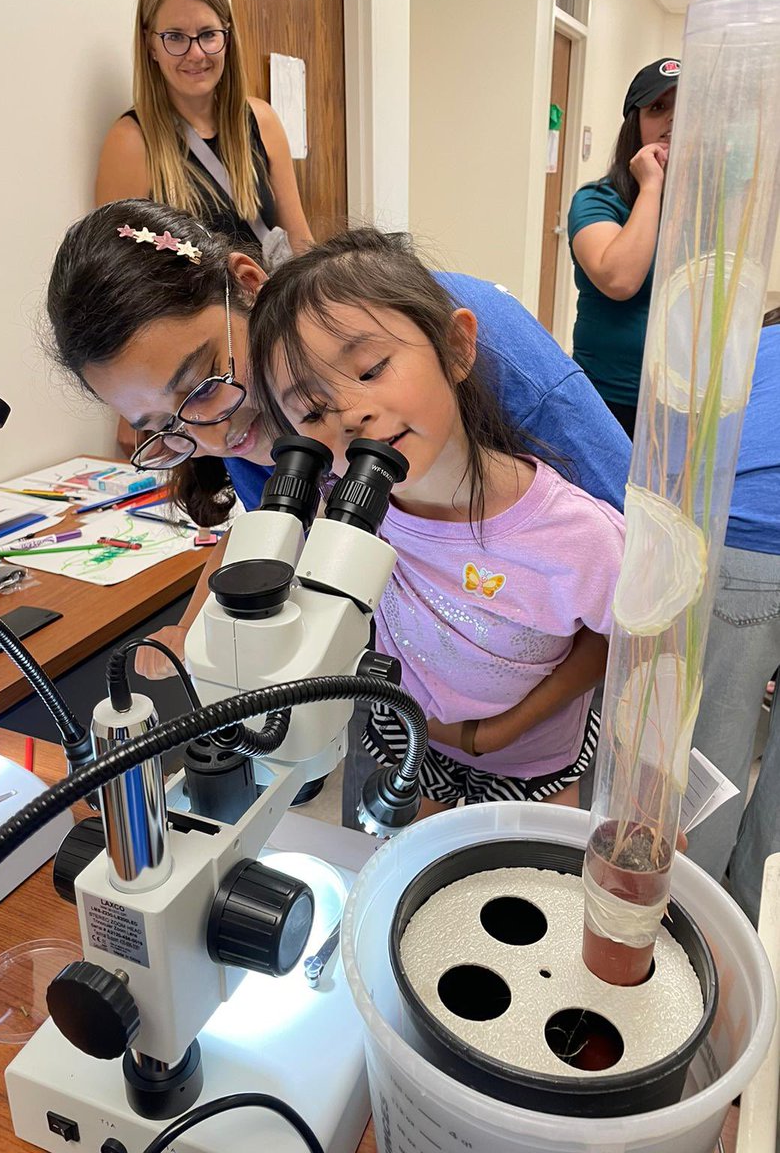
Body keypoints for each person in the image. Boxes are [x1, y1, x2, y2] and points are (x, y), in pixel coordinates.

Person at [243, 229, 627, 811]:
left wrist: (644, 797)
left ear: (456, 348)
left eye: (370, 368)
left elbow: (633, 650)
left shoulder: (580, 536)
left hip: (532, 757)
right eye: (314, 410)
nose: (350, 414)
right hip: (408, 736)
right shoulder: (342, 513)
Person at [94, 0, 312, 458]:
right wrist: (130, 412)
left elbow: (299, 241)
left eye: (207, 35)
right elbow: (117, 288)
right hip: (192, 379)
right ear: (150, 43)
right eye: (175, 37)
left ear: (227, 37)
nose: (195, 53)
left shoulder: (261, 121)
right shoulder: (131, 143)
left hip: (267, 352)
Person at [684, 307, 780, 924]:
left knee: (714, 753)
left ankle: (697, 928)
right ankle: (757, 925)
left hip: (744, 540)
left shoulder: (755, 346)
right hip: (749, 535)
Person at [568, 58, 680, 438]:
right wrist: (651, 186)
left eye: (686, 107)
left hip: (681, 400)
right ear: (635, 124)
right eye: (658, 108)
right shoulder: (598, 200)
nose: (672, 120)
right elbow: (618, 279)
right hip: (609, 399)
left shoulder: (701, 210)